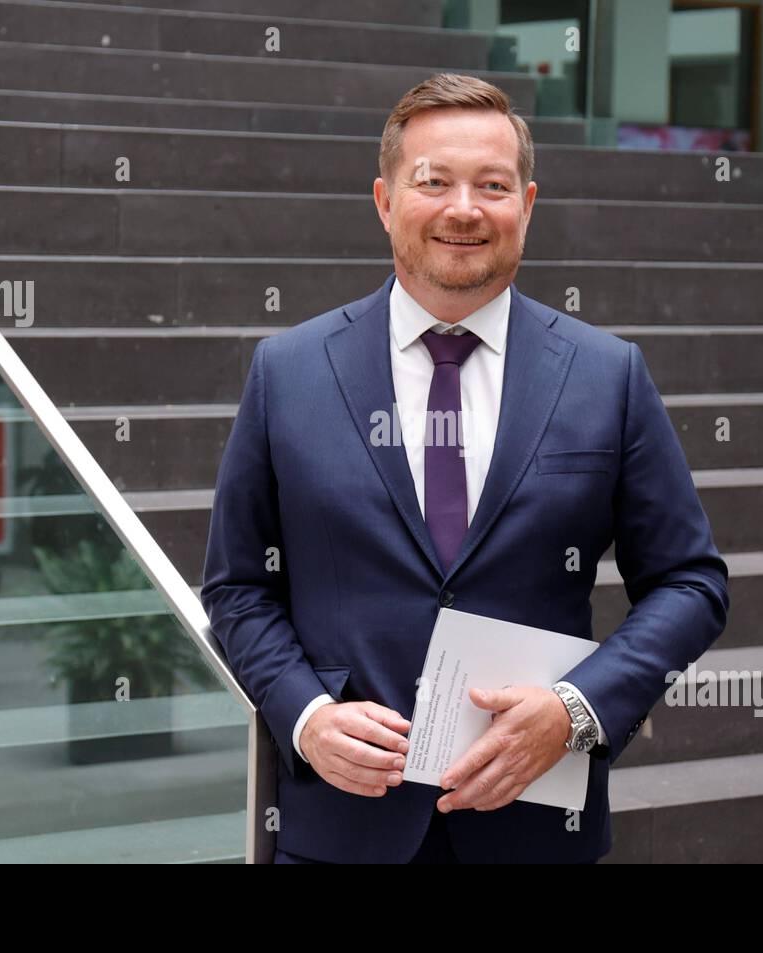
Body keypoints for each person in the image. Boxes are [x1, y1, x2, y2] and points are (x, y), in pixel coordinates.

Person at [201, 73, 729, 863]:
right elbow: (238, 586)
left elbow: (692, 583)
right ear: (385, 201)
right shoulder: (290, 372)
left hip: (534, 829)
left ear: (527, 204)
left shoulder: (606, 375)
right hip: (342, 826)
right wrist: (306, 716)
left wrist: (576, 707)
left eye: (493, 185)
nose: (464, 209)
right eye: (433, 181)